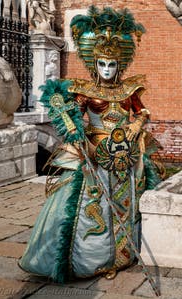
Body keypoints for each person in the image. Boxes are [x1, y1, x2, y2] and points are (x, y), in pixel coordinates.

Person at [19, 6, 164, 283]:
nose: (107, 70)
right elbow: (68, 111)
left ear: (119, 64)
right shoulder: (86, 91)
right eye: (102, 64)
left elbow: (142, 111)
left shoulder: (128, 90)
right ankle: (96, 260)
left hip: (128, 159)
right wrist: (75, 131)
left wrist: (137, 123)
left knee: (127, 205)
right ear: (94, 62)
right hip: (97, 158)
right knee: (95, 206)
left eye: (112, 64)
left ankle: (124, 255)